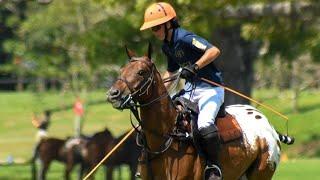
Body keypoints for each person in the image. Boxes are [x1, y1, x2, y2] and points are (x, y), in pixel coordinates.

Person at [140, 2, 224, 180]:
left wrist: (195, 66)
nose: (154, 32)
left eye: (156, 27)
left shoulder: (184, 37)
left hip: (210, 89)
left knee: (204, 125)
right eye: (152, 29)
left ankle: (213, 167)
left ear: (168, 23)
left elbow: (214, 51)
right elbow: (171, 72)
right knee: (170, 119)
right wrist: (157, 93)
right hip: (190, 90)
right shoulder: (167, 46)